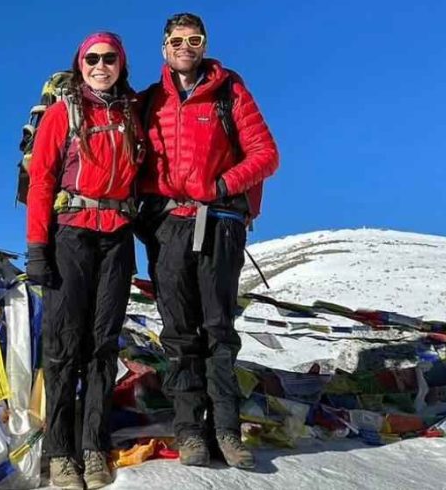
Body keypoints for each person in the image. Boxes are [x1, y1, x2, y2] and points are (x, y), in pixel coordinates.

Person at [136, 13, 280, 469]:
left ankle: (226, 431)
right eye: (177, 40)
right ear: (164, 46)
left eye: (194, 40)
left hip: (218, 221)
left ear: (204, 44)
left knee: (218, 329)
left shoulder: (229, 90)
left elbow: (266, 154)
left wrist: (220, 186)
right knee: (178, 332)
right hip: (168, 226)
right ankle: (190, 432)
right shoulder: (148, 100)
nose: (185, 47)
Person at [25, 31, 144, 490]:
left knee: (103, 345)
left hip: (117, 239)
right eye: (91, 58)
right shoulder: (63, 112)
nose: (100, 65)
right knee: (62, 345)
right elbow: (41, 182)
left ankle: (95, 448)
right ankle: (60, 453)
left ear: (121, 64)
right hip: (70, 235)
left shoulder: (132, 115)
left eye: (109, 58)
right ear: (80, 64)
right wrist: (37, 247)